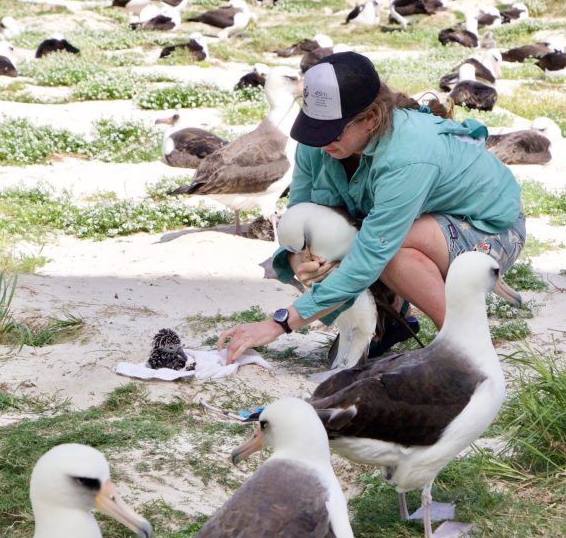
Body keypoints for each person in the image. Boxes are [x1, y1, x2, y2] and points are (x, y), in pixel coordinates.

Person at [219, 51, 525, 364]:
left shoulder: (407, 154)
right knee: (325, 240)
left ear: (371, 119)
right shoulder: (320, 144)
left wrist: (278, 324)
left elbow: (373, 252)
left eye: (332, 131)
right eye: (314, 127)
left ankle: (464, 348)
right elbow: (300, 215)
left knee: (389, 251)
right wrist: (301, 259)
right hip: (415, 224)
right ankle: (389, 319)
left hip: (488, 227)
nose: (322, 142)